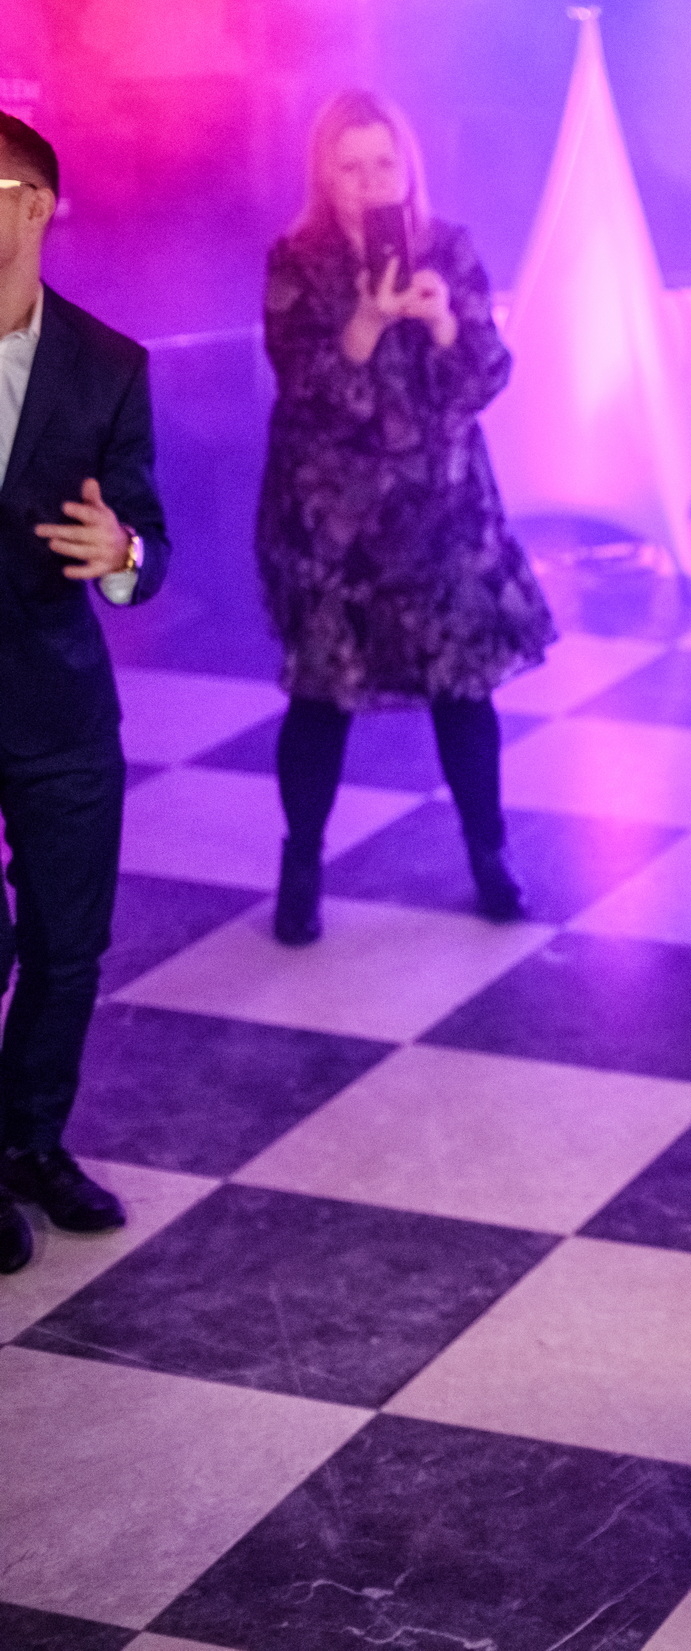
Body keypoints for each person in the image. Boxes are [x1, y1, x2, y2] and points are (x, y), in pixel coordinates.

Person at [254, 88, 554, 945]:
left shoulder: (447, 249)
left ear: (407, 167)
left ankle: (490, 853)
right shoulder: (296, 260)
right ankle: (302, 864)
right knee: (322, 696)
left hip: (442, 510)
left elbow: (487, 377)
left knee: (464, 690)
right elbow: (303, 390)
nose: (369, 182)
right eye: (349, 167)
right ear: (324, 175)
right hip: (333, 523)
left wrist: (444, 321)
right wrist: (363, 323)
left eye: (383, 163)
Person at [0, 114, 172, 1274]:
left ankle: (31, 1144)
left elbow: (151, 548)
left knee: (68, 945)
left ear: (33, 206)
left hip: (58, 706)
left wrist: (120, 553)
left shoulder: (109, 365)